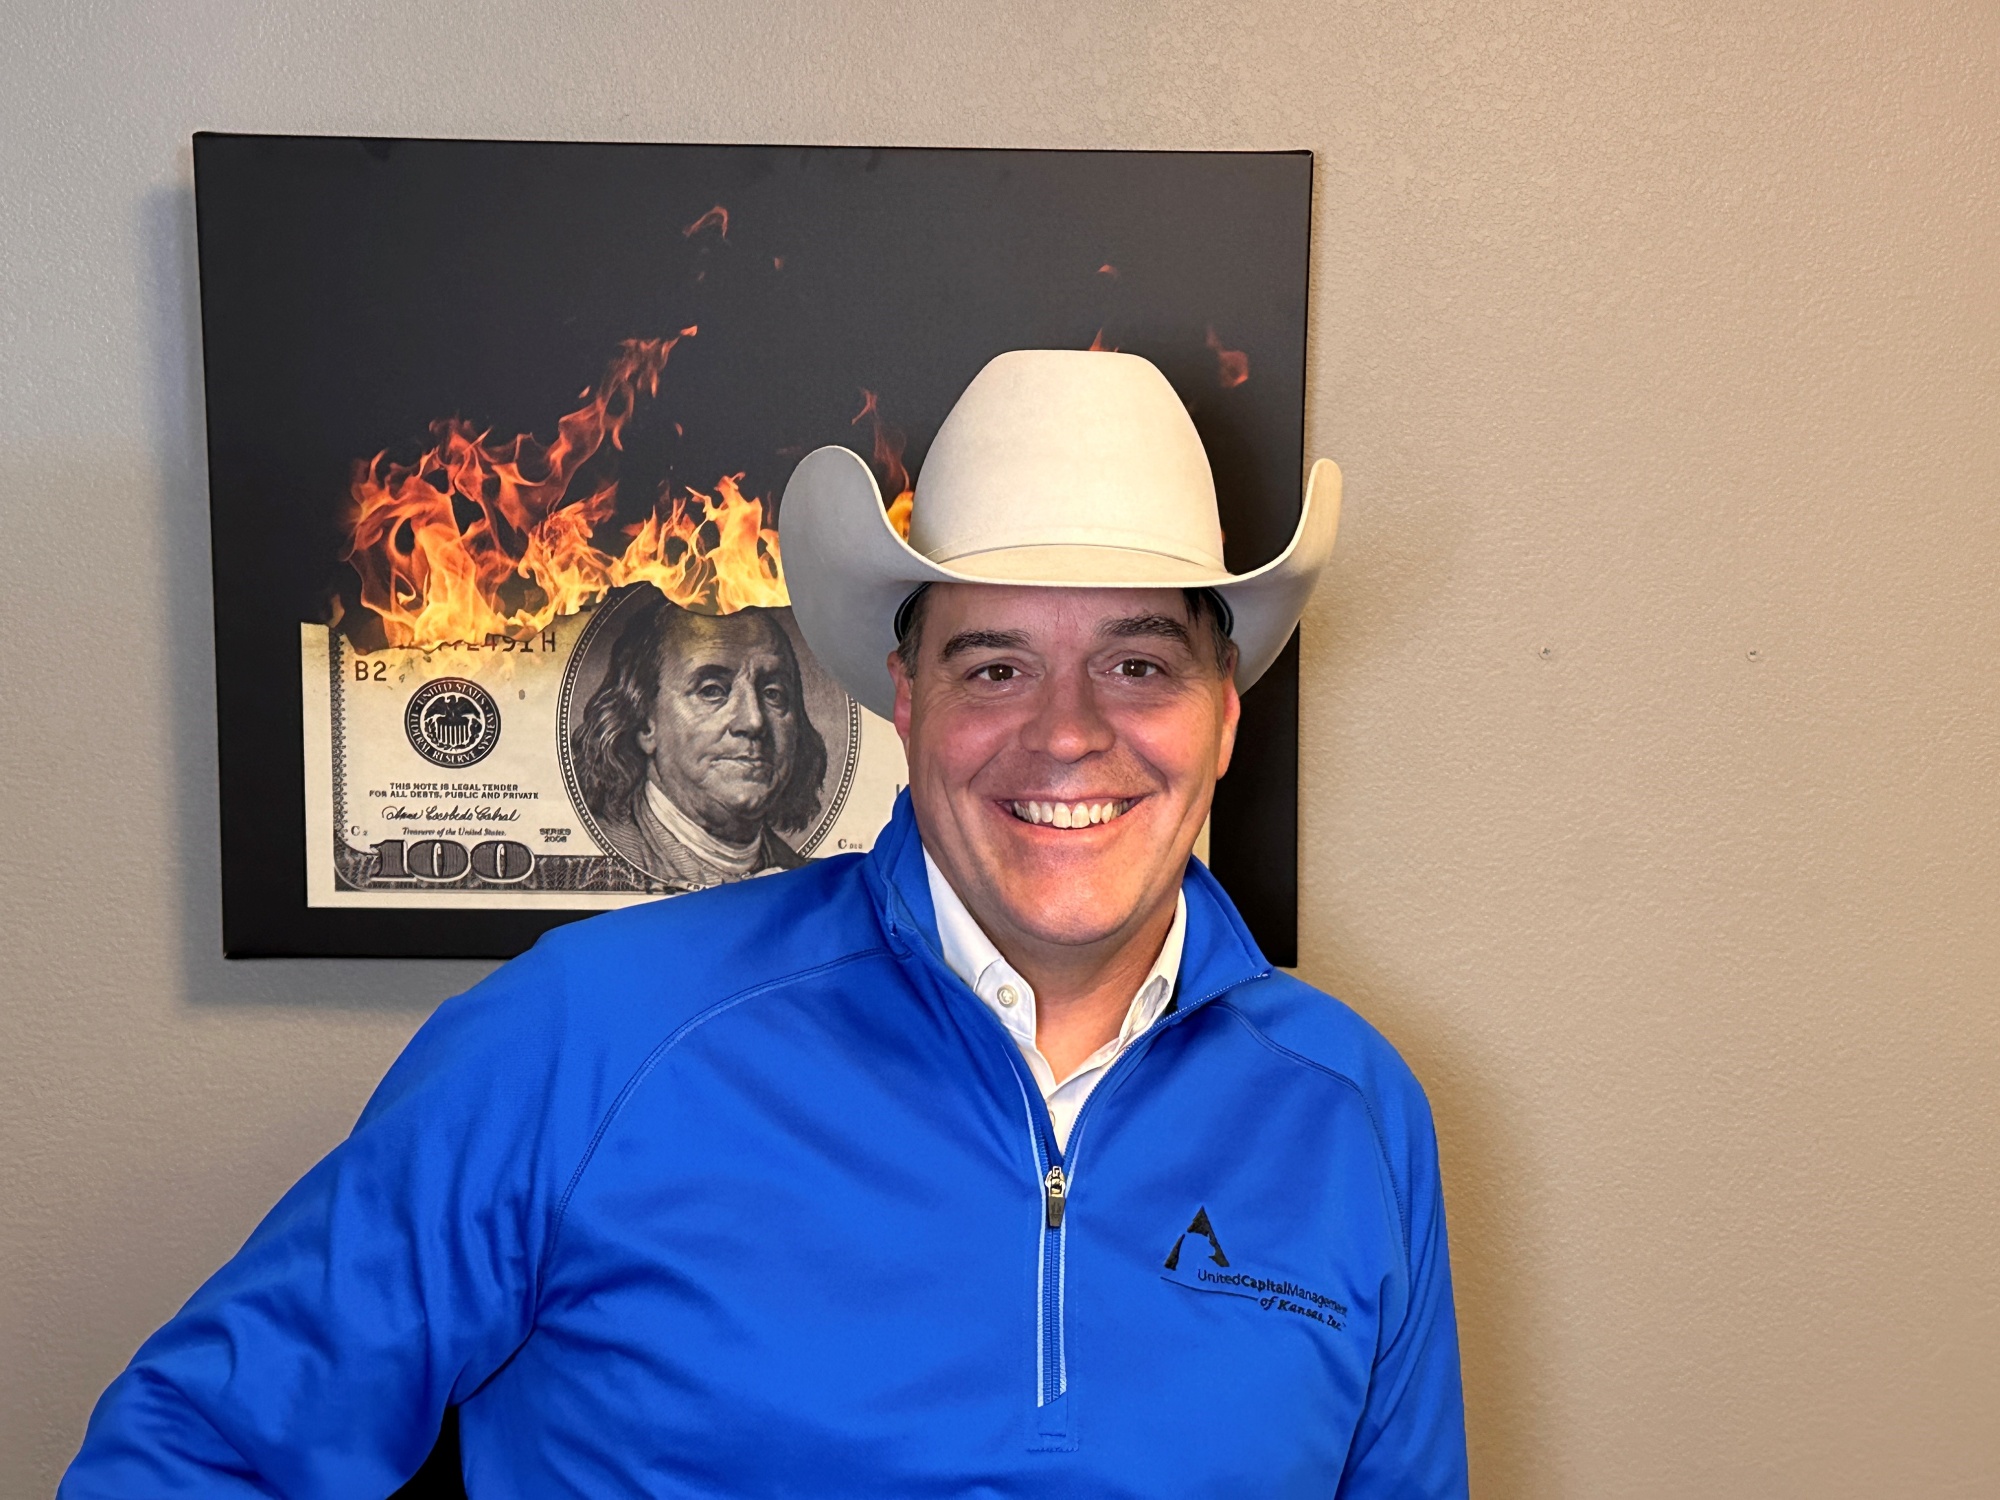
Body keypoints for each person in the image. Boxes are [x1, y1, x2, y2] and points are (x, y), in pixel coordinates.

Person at [63, 350, 1467, 1497]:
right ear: (906, 703)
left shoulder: (1353, 1112)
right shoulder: (585, 1037)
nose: (1066, 734)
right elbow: (191, 1454)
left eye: (1138, 663)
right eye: (994, 667)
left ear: (1223, 716)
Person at [572, 600, 827, 889]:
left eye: (773, 693)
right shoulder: (612, 853)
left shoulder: (807, 879)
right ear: (644, 722)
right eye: (712, 691)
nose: (754, 721)